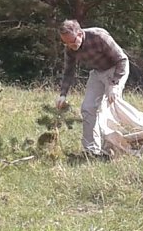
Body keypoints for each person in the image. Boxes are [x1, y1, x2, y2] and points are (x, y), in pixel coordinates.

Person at [55, 19, 129, 156]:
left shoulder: (99, 36)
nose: (70, 46)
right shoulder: (69, 48)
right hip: (97, 72)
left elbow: (122, 60)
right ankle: (91, 151)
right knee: (88, 107)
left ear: (79, 33)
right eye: (66, 43)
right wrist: (63, 95)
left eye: (72, 41)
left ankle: (116, 146)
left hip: (116, 69)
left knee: (109, 105)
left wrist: (114, 85)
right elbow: (68, 72)